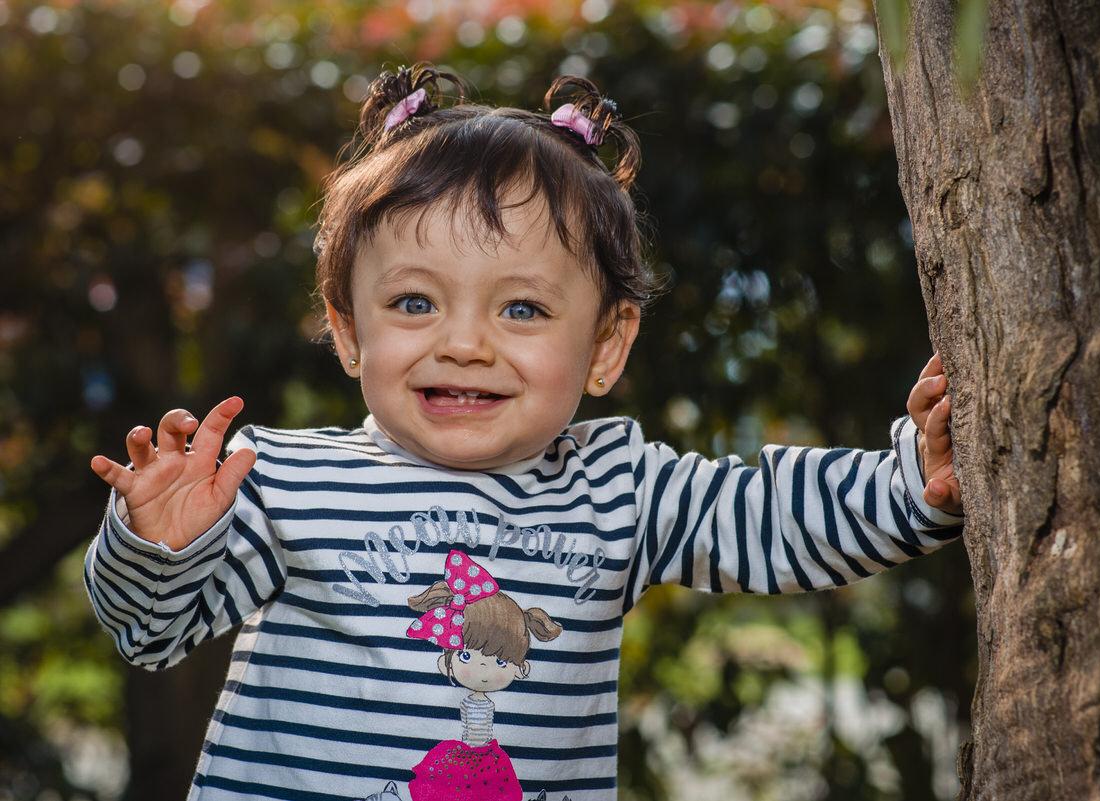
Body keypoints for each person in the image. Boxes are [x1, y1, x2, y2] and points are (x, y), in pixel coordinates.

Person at [85, 64, 963, 801]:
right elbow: (148, 631)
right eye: (415, 301)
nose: (463, 343)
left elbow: (770, 517)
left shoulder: (618, 491)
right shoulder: (274, 481)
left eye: (523, 307)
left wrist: (909, 480)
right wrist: (156, 544)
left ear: (606, 345)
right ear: (349, 329)